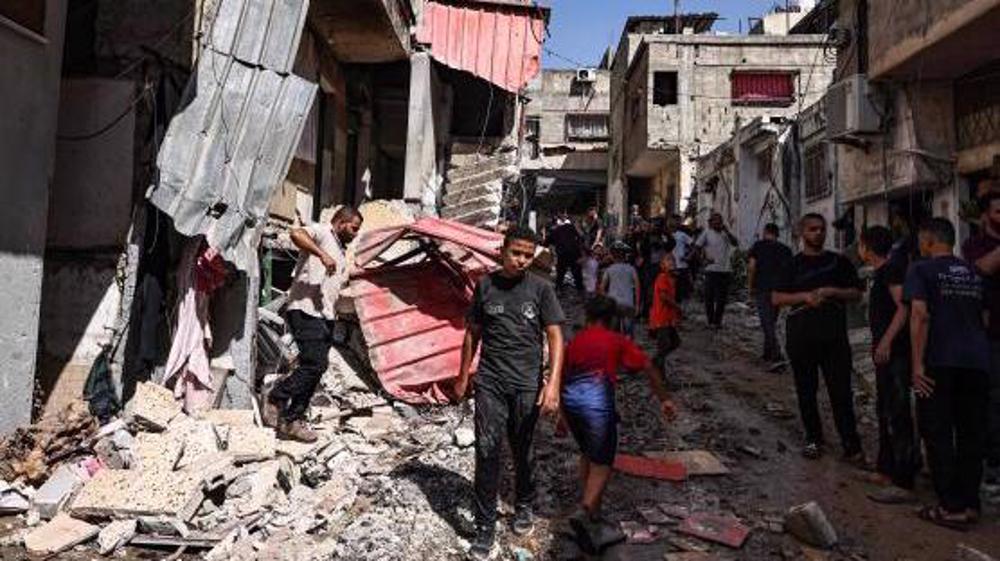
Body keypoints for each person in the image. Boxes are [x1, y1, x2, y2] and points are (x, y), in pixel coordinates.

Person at [454, 226, 566, 560]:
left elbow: (556, 337)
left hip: (526, 385)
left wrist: (553, 384)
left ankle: (525, 505)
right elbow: (471, 334)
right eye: (515, 253)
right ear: (502, 251)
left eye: (527, 255)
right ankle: (485, 526)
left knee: (522, 449)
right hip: (490, 382)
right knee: (487, 451)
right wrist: (463, 376)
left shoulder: (541, 289)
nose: (521, 260)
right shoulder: (485, 286)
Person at [562, 295, 677, 554]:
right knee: (603, 462)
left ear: (587, 317)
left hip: (571, 402)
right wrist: (665, 400)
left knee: (587, 454)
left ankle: (591, 511)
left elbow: (561, 374)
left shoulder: (575, 341)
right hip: (596, 403)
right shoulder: (617, 340)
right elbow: (647, 367)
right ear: (612, 319)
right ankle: (585, 511)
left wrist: (560, 414)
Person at [906, 218, 991, 530]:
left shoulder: (921, 269)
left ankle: (950, 508)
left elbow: (919, 315)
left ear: (927, 241)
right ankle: (970, 504)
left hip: (940, 361)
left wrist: (917, 366)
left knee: (938, 431)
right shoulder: (974, 272)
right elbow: (984, 316)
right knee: (972, 434)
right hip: (977, 362)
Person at [264, 206, 364, 442]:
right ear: (340, 222)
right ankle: (276, 396)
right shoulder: (322, 232)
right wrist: (321, 254)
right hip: (305, 310)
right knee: (314, 364)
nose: (355, 234)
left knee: (317, 368)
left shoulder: (341, 251)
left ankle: (292, 420)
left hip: (325, 316)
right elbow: (296, 234)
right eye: (353, 228)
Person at [772, 213, 864, 462]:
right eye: (813, 229)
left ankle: (851, 445)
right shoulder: (792, 265)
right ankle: (814, 439)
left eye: (822, 229)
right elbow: (777, 298)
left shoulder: (838, 262)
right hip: (801, 338)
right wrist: (805, 297)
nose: (819, 233)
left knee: (841, 392)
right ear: (802, 233)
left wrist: (834, 291)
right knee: (806, 391)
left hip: (834, 339)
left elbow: (857, 292)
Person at [859, 226, 919, 504]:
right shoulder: (882, 272)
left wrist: (886, 341)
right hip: (885, 352)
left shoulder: (892, 271)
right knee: (884, 407)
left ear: (866, 247)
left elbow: (903, 307)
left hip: (895, 353)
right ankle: (886, 468)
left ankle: (903, 479)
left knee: (897, 411)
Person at [961, 187, 1000, 484]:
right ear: (987, 215)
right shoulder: (975, 245)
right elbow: (983, 268)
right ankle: (992, 460)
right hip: (991, 334)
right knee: (992, 398)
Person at [747, 223, 792, 363]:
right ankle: (767, 353)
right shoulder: (785, 249)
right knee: (771, 320)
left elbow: (752, 267)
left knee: (767, 323)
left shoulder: (758, 246)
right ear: (777, 234)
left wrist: (750, 286)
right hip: (779, 290)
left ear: (765, 232)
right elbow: (790, 271)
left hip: (762, 288)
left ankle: (776, 354)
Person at [694, 212, 738, 329]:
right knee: (709, 296)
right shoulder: (707, 233)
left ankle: (717, 321)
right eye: (715, 220)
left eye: (719, 220)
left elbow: (735, 243)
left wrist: (727, 232)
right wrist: (702, 260)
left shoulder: (725, 234)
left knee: (722, 298)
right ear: (711, 222)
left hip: (725, 270)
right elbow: (697, 247)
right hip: (711, 270)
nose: (718, 222)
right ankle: (710, 321)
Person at [649, 255, 681, 372]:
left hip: (667, 318)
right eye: (668, 260)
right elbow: (663, 296)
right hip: (661, 318)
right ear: (662, 265)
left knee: (674, 342)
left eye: (673, 260)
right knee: (664, 346)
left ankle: (655, 361)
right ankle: (659, 373)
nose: (671, 262)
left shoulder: (670, 279)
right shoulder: (662, 277)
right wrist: (677, 307)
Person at [600, 245, 641, 337]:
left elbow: (602, 288)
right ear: (624, 257)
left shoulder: (609, 270)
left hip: (613, 303)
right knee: (629, 333)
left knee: (613, 332)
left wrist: (605, 300)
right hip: (628, 303)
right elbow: (638, 287)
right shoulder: (631, 269)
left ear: (614, 258)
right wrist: (637, 304)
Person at [549, 211, 585, 292]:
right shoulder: (573, 227)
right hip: (574, 253)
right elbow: (581, 237)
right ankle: (581, 290)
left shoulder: (555, 229)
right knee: (577, 274)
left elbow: (547, 242)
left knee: (560, 274)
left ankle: (559, 289)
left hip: (563, 254)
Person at [668, 215, 694, 305]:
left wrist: (689, 256)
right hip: (669, 267)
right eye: (672, 222)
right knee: (671, 291)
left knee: (682, 291)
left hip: (682, 266)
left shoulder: (682, 235)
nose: (673, 224)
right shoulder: (666, 235)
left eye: (676, 222)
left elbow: (694, 245)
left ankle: (680, 310)